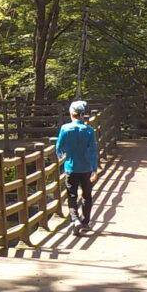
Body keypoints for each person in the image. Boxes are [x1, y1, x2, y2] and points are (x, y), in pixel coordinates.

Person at [55, 100, 99, 236]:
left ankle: (74, 219)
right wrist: (94, 169)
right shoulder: (89, 130)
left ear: (71, 113)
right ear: (83, 115)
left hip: (71, 167)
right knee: (87, 195)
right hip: (86, 167)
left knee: (72, 195)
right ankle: (85, 222)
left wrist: (61, 154)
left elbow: (59, 147)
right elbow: (93, 151)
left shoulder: (65, 128)